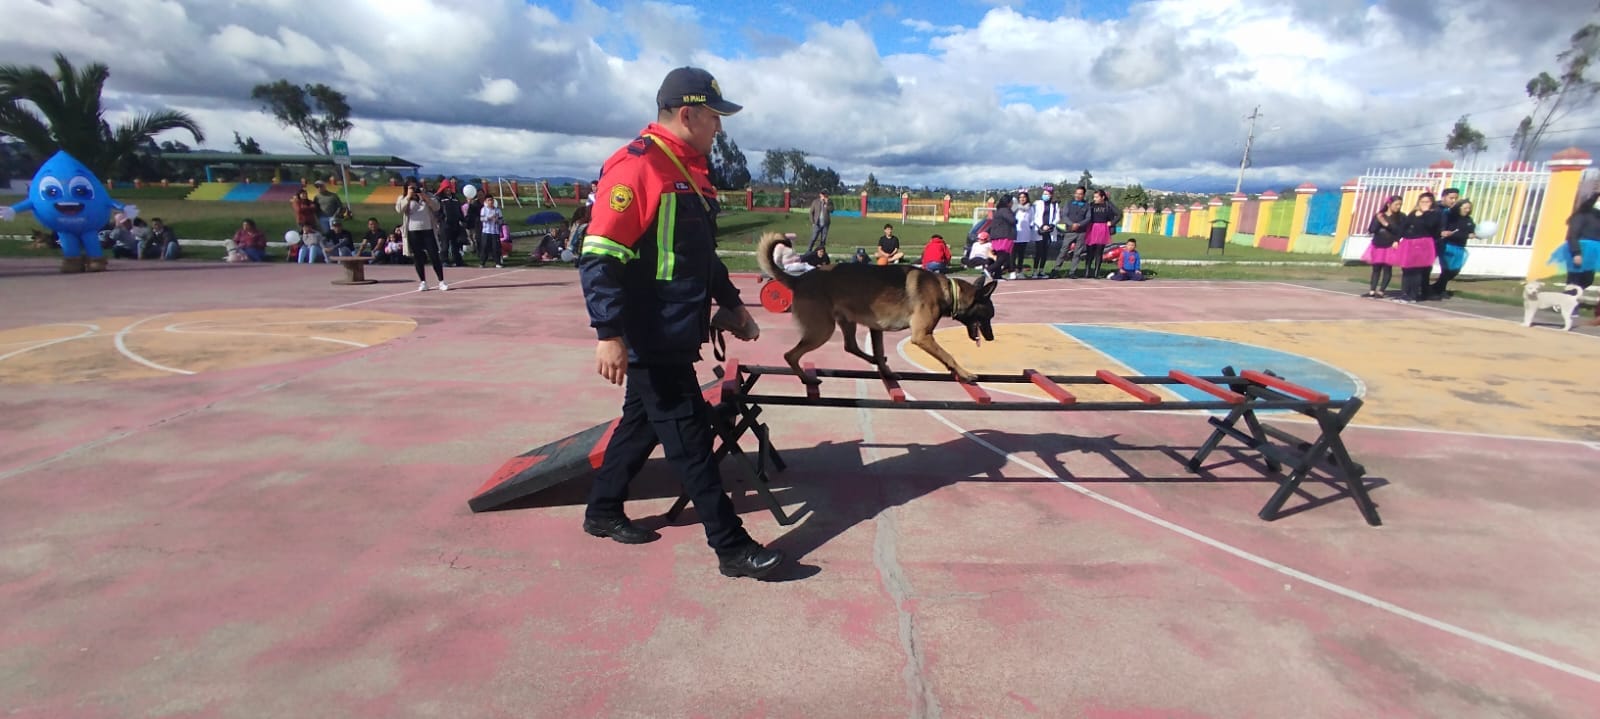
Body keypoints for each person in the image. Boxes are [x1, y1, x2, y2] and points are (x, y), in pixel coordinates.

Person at [577, 65, 784, 580]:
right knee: (691, 440)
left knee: (641, 423)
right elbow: (600, 256)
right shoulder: (637, 167)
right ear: (688, 114)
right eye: (714, 116)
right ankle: (731, 548)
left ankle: (601, 510)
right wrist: (609, 334)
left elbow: (700, 257)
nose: (720, 126)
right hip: (651, 334)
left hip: (677, 329)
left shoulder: (689, 172)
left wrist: (733, 304)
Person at [1552, 192, 1600, 324]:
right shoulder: (1581, 215)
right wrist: (1576, 253)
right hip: (1579, 249)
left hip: (1594, 252)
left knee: (1588, 279)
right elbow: (1572, 235)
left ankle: (1564, 299)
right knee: (1575, 279)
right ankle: (1569, 305)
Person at [397, 181, 448, 291]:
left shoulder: (427, 195)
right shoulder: (403, 197)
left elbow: (436, 207)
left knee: (434, 255)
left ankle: (441, 281)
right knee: (418, 257)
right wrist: (408, 197)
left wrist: (424, 196)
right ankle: (423, 282)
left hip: (428, 229)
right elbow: (399, 209)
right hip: (413, 230)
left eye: (415, 187)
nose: (414, 189)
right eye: (411, 188)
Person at [1393, 192, 1440, 303]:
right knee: (1406, 269)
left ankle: (1413, 295)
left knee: (1416, 270)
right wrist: (1397, 239)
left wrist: (1426, 213)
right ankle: (1405, 293)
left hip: (1422, 243)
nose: (1424, 204)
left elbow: (1431, 226)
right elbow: (1403, 227)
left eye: (1427, 202)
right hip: (1408, 243)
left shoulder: (1434, 214)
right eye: (1422, 201)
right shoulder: (1413, 213)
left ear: (1431, 203)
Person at [1430, 198, 1475, 298]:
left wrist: (1475, 233)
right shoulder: (1451, 217)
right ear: (1459, 207)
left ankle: (1436, 287)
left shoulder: (1469, 220)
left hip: (1460, 247)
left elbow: (1472, 229)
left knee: (1455, 270)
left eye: (1469, 208)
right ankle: (1440, 290)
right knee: (1446, 269)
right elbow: (1450, 232)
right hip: (1448, 245)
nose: (1467, 210)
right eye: (1465, 208)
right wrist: (1466, 235)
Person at [1362, 195, 1402, 298]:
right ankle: (1372, 290)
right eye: (1396, 204)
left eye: (1400, 205)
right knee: (1376, 268)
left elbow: (1399, 231)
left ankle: (1381, 291)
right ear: (1389, 204)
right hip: (1377, 244)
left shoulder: (1401, 217)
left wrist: (1385, 224)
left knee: (1387, 268)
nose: (1398, 207)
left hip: (1390, 245)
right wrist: (1378, 220)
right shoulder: (1380, 215)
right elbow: (1372, 229)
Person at [1050, 186, 1091, 278]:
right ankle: (1056, 270)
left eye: (1080, 194)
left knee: (1077, 253)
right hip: (1069, 231)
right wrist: (1072, 224)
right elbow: (1064, 215)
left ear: (1083, 195)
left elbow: (1088, 218)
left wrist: (1079, 224)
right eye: (1077, 193)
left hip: (1081, 232)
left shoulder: (1087, 205)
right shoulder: (1068, 203)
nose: (1078, 195)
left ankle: (1072, 272)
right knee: (1063, 251)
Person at [807, 191, 832, 255]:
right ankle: (808, 251)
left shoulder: (829, 202)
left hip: (825, 224)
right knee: (813, 238)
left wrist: (827, 203)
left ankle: (821, 252)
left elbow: (832, 210)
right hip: (817, 224)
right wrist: (813, 222)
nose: (824, 196)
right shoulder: (815, 202)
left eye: (825, 194)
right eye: (823, 194)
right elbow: (811, 212)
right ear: (820, 195)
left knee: (823, 239)